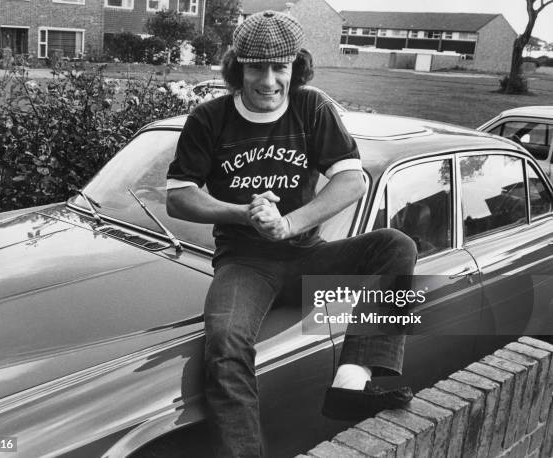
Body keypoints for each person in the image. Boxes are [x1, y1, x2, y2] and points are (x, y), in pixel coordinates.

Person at [166, 10, 417, 458]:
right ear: (236, 66)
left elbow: (352, 181)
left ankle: (350, 382)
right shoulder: (210, 118)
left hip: (308, 256)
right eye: (255, 67)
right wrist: (243, 213)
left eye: (279, 67)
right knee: (224, 347)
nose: (267, 80)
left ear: (295, 67)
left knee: (396, 246)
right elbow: (179, 195)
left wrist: (289, 224)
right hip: (244, 265)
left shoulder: (312, 107)